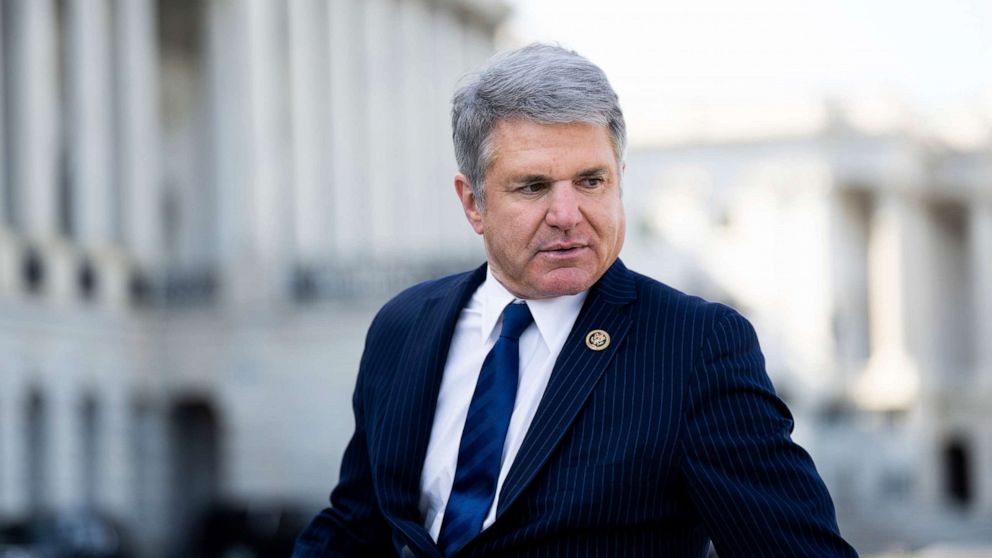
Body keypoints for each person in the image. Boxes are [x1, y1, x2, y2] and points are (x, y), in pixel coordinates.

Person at [293, 43, 857, 557]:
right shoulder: (403, 326)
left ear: (620, 180)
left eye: (591, 182)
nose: (568, 215)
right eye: (533, 186)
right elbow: (355, 525)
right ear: (473, 203)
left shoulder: (695, 348)